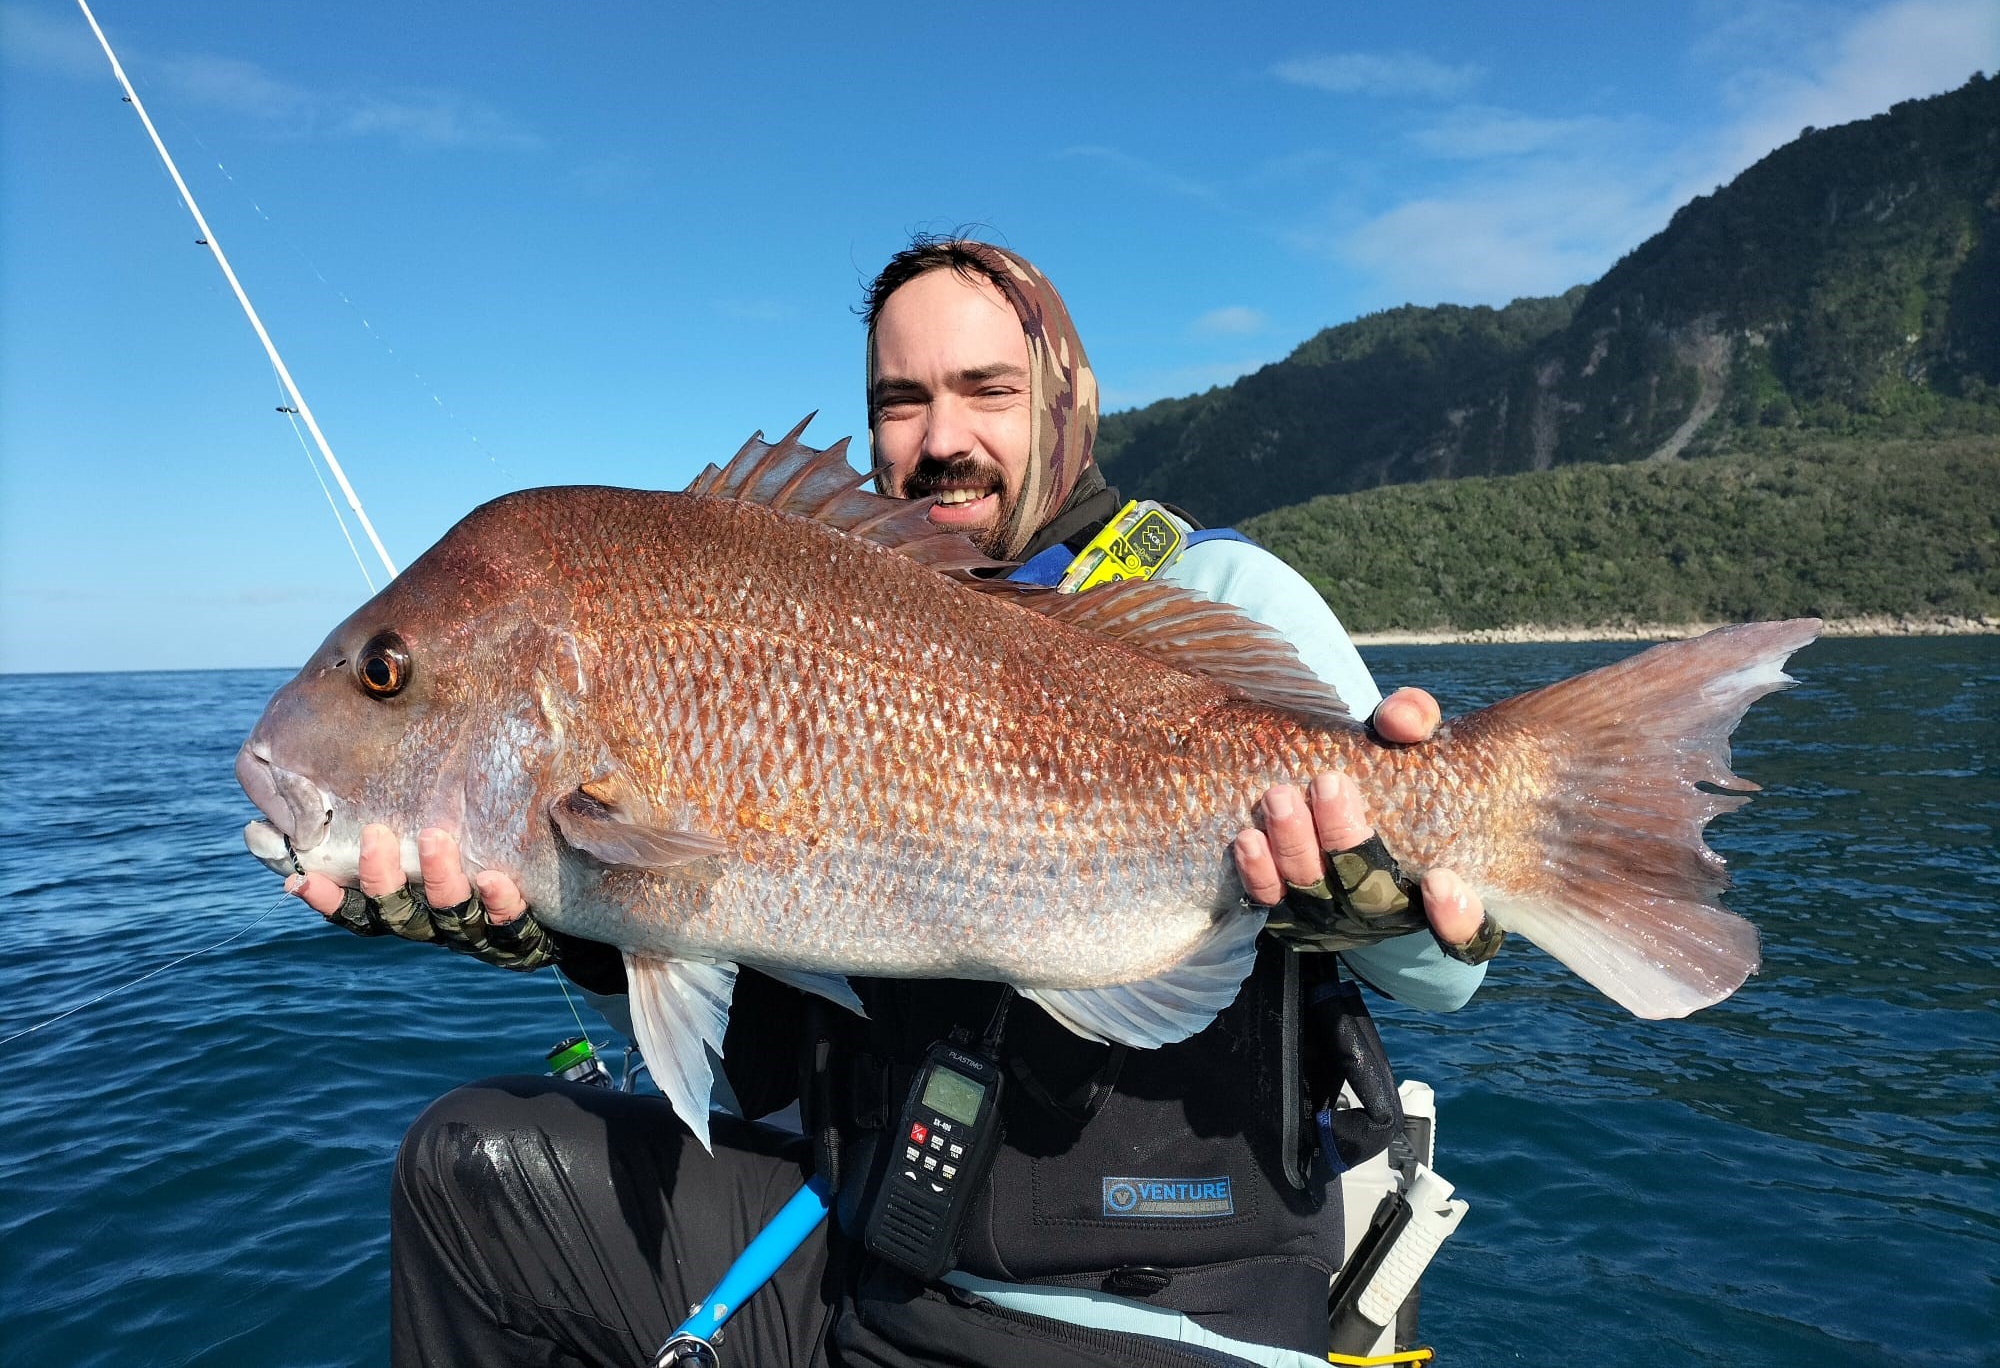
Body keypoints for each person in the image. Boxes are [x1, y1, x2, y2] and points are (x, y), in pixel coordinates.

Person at [289, 238, 1501, 1367]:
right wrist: (584, 923)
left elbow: (1448, 977)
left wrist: (1387, 901)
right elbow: (769, 953)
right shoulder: (824, 597)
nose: (940, 438)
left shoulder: (1216, 593)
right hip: (868, 1273)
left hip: (1162, 1313)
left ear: (1067, 397)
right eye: (899, 401)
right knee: (468, 1168)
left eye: (986, 389)